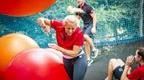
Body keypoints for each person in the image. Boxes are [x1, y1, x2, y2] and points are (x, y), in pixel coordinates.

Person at [37, 15, 87, 80]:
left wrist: (59, 48)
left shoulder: (79, 33)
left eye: (73, 28)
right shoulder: (59, 25)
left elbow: (74, 53)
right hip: (66, 59)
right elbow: (41, 19)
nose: (70, 31)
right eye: (68, 28)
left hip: (78, 58)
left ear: (76, 27)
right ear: (64, 25)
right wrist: (44, 26)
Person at [67, 0, 98, 66]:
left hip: (91, 24)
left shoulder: (88, 7)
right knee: (85, 42)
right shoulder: (78, 8)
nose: (78, 0)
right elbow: (78, 19)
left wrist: (94, 27)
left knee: (85, 35)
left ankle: (94, 49)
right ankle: (89, 59)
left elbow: (94, 17)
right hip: (85, 25)